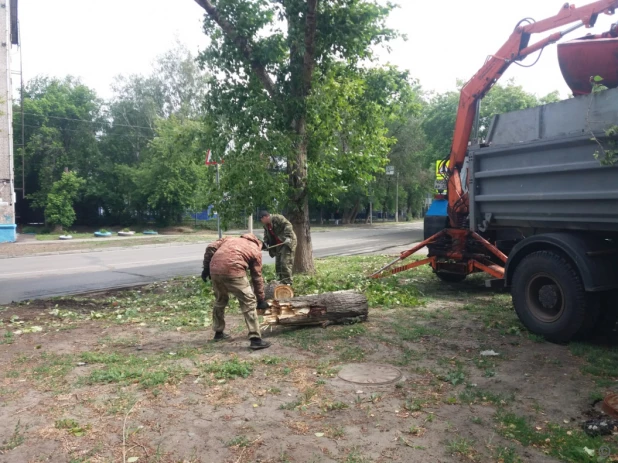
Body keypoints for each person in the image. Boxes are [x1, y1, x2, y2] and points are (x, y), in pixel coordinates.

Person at [202, 234, 271, 350]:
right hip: (234, 270)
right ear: (259, 243)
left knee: (220, 300)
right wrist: (260, 299)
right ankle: (255, 339)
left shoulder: (230, 238)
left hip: (215, 270)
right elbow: (257, 277)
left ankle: (218, 333)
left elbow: (210, 247)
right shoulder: (255, 249)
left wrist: (206, 268)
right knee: (249, 301)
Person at [259, 210, 297, 285]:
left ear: (266, 217)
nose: (261, 221)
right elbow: (266, 235)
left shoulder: (278, 218)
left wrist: (288, 236)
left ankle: (288, 283)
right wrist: (266, 243)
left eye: (261, 219)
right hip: (279, 245)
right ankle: (280, 282)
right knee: (278, 264)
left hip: (287, 242)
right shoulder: (266, 226)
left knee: (284, 263)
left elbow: (288, 225)